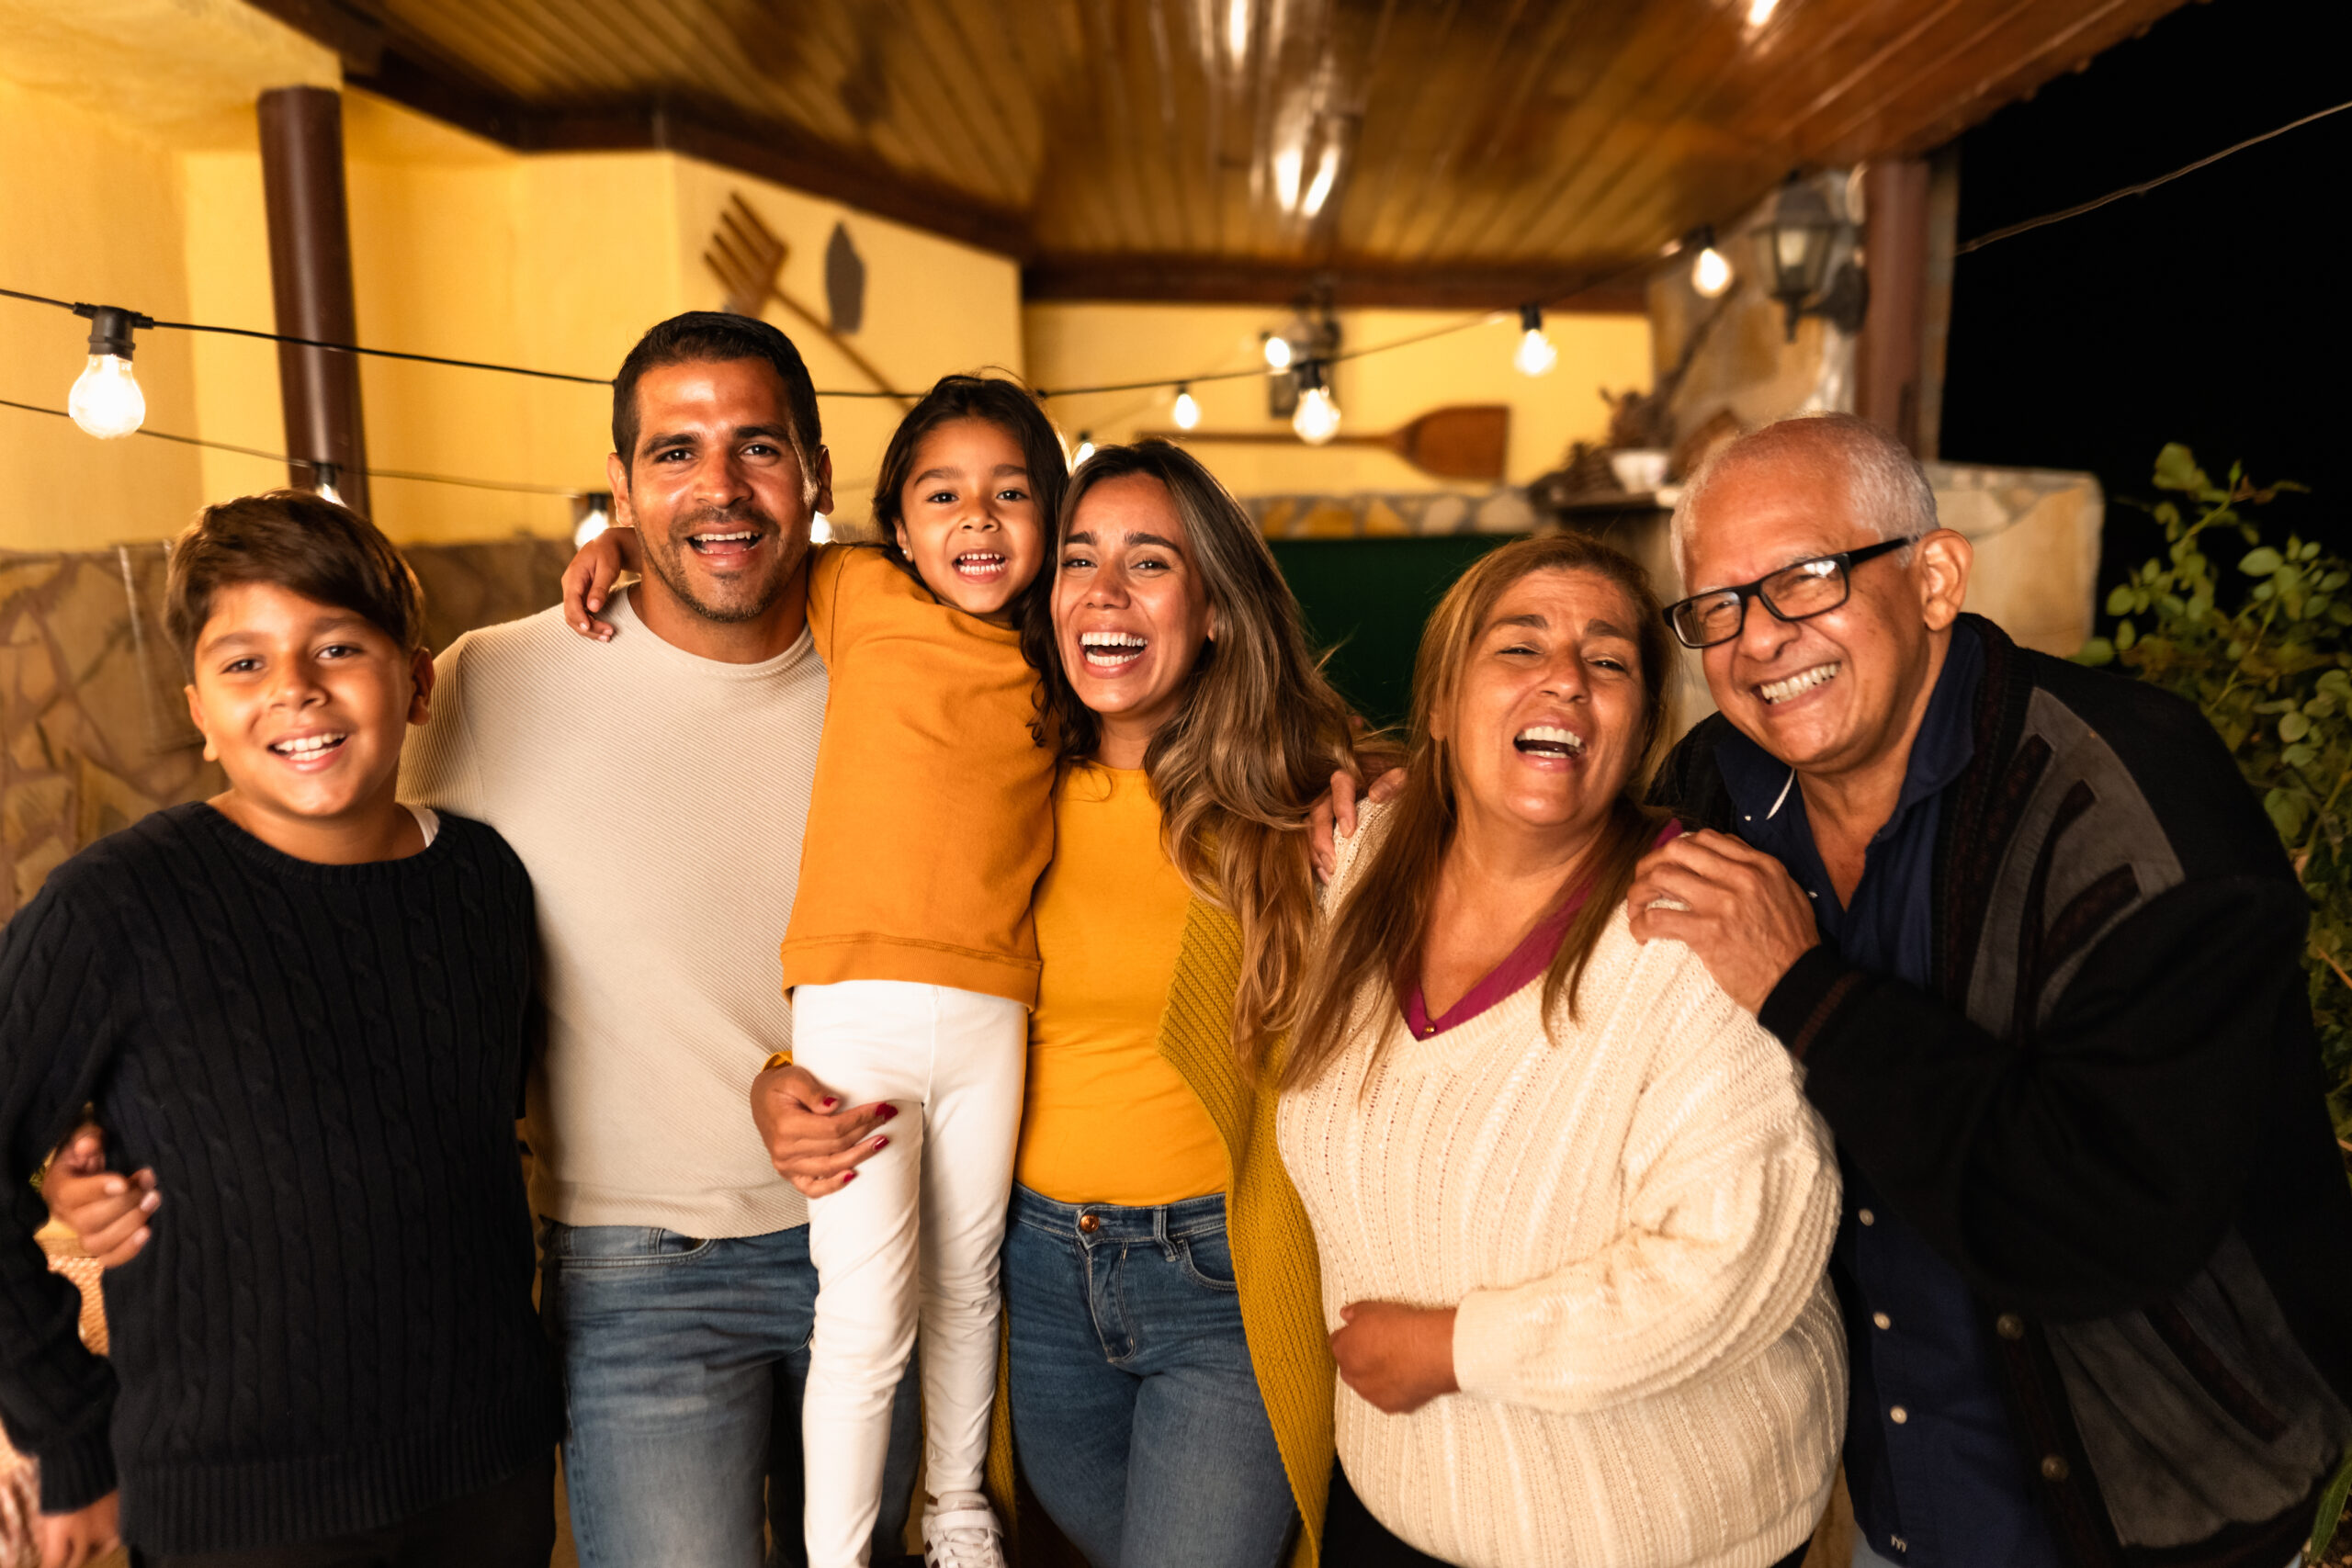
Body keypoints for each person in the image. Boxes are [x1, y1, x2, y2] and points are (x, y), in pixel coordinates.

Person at [1628, 412, 2352, 1568]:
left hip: (2156, 1511)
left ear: (1933, 578)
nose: (1759, 640)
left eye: (1805, 579)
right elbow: (1561, 885)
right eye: (1718, 606)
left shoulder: (2130, 795)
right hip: (1893, 1505)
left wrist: (1803, 988)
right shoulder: (1723, 783)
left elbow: (2105, 1216)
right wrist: (1403, 807)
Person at [752, 442, 1356, 1568]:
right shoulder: (1010, 773)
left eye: (1150, 563)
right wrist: (780, 1072)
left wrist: (1410, 792)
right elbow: (893, 933)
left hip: (1217, 1281)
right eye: (1079, 560)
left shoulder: (1294, 805)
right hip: (1034, 1277)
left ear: (1217, 608)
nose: (1105, 593)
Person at [560, 373, 1069, 1568]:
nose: (977, 519)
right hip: (858, 1007)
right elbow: (730, 538)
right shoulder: (855, 590)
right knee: (863, 1309)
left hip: (999, 1005)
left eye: (1011, 493)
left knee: (968, 1276)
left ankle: (953, 1509)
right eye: (943, 493)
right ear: (895, 524)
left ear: (1053, 517)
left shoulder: (1067, 658)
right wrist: (617, 537)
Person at [0, 492, 561, 1567]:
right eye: (245, 664)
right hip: (236, 1511)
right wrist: (69, 1432)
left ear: (418, 680)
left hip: (486, 1475)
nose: (296, 690)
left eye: (338, 646)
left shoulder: (485, 883)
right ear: (198, 713)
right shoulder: (111, 908)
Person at [1279, 533, 1844, 1568]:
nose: (1566, 683)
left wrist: (1456, 1349)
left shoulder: (1693, 924)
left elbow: (1734, 1259)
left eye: (1608, 661)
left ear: (1638, 731)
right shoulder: (1357, 866)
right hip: (1394, 1508)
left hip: (1656, 1536)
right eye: (1519, 648)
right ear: (1441, 708)